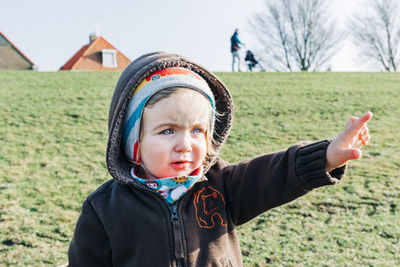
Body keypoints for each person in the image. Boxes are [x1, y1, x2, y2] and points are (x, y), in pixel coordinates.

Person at [68, 52, 372, 266]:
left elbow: (275, 175)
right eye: (167, 131)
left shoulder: (221, 185)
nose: (184, 145)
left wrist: (327, 156)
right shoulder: (104, 208)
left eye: (197, 130)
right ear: (134, 141)